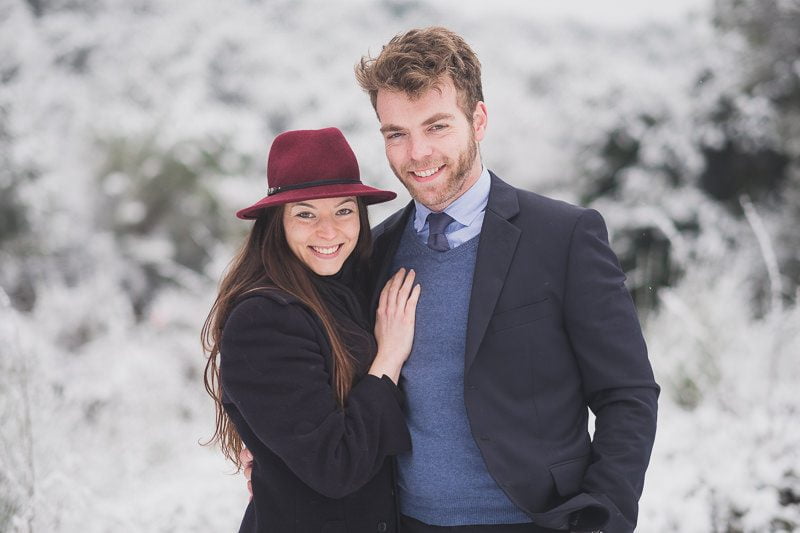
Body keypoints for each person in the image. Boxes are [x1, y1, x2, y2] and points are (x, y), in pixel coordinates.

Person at [352, 27, 659, 533]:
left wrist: (602, 518)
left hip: (536, 520)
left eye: (437, 126)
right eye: (396, 134)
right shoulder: (374, 252)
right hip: (405, 522)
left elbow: (627, 394)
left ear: (478, 120)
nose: (417, 153)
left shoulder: (564, 237)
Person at [203, 127, 421, 532]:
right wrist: (388, 358)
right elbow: (335, 465)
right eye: (305, 214)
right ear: (277, 223)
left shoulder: (347, 289)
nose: (329, 230)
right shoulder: (263, 318)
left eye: (343, 211)